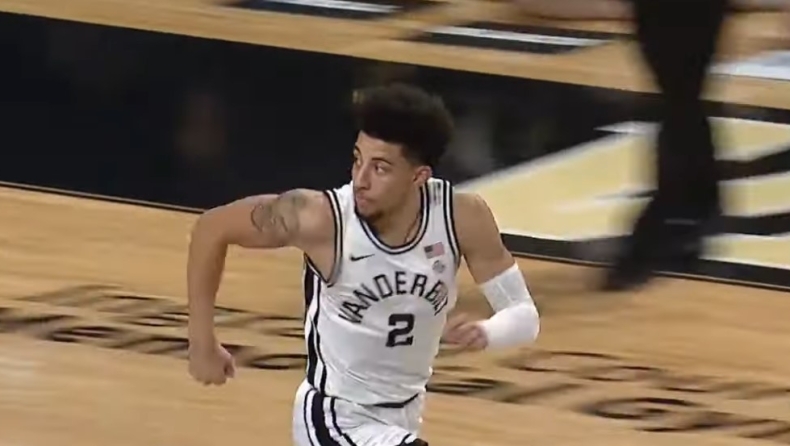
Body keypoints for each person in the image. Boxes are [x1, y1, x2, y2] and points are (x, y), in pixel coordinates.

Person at [185, 83, 541, 446]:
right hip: (334, 418)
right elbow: (212, 227)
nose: (361, 179)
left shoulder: (462, 216)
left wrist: (487, 332)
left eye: (380, 168)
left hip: (404, 414)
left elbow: (524, 316)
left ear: (419, 176)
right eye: (358, 160)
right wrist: (201, 341)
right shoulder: (321, 219)